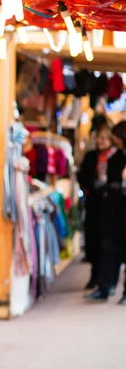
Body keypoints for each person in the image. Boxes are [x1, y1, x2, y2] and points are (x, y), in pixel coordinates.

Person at [86, 121, 126, 303]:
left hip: (119, 208)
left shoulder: (119, 157)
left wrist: (115, 186)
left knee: (115, 248)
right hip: (109, 210)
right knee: (107, 248)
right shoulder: (96, 157)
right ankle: (104, 286)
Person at [77, 124, 116, 290]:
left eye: (104, 138)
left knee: (107, 243)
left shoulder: (116, 156)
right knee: (93, 239)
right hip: (94, 203)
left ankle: (106, 279)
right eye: (99, 138)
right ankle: (95, 276)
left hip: (110, 206)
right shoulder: (91, 156)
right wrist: (93, 184)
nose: (100, 141)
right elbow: (82, 176)